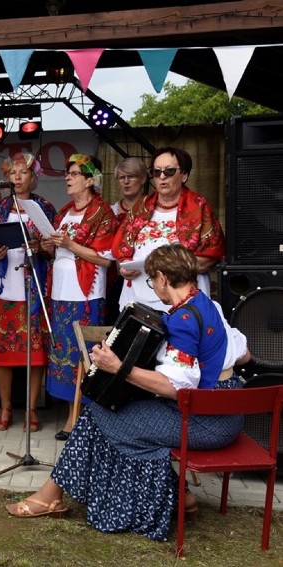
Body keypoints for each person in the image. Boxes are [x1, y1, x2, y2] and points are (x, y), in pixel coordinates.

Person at [5, 243, 250, 542]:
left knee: (100, 411)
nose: (152, 287)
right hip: (225, 410)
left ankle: (51, 495)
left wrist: (117, 366)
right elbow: (244, 354)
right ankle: (179, 496)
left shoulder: (184, 321)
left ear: (162, 278)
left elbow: (174, 387)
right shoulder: (206, 304)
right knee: (113, 411)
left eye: (150, 280)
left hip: (206, 422)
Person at [42, 155, 116, 440]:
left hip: (85, 295)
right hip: (60, 293)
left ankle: (78, 419)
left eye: (74, 174)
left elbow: (106, 260)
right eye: (67, 173)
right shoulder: (64, 212)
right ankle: (71, 413)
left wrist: (70, 244)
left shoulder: (103, 213)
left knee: (82, 353)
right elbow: (57, 252)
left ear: (90, 180)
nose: (68, 178)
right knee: (64, 351)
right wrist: (49, 245)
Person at [0, 151, 56, 433]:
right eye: (12, 174)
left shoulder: (45, 208)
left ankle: (30, 408)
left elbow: (54, 246)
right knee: (4, 351)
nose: (17, 177)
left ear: (33, 177)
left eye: (23, 173)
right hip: (6, 287)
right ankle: (5, 406)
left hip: (34, 286)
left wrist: (43, 247)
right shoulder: (0, 209)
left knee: (34, 351)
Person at [113, 147, 225, 313]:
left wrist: (168, 268)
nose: (162, 177)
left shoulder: (199, 206)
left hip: (181, 298)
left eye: (169, 171)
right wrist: (122, 269)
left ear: (184, 175)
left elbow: (210, 258)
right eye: (157, 172)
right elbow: (120, 251)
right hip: (138, 296)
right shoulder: (140, 207)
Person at [104, 157, 149, 325]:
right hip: (114, 276)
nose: (126, 182)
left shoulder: (152, 207)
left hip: (144, 273)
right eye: (122, 178)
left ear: (143, 178)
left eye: (132, 176)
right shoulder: (110, 211)